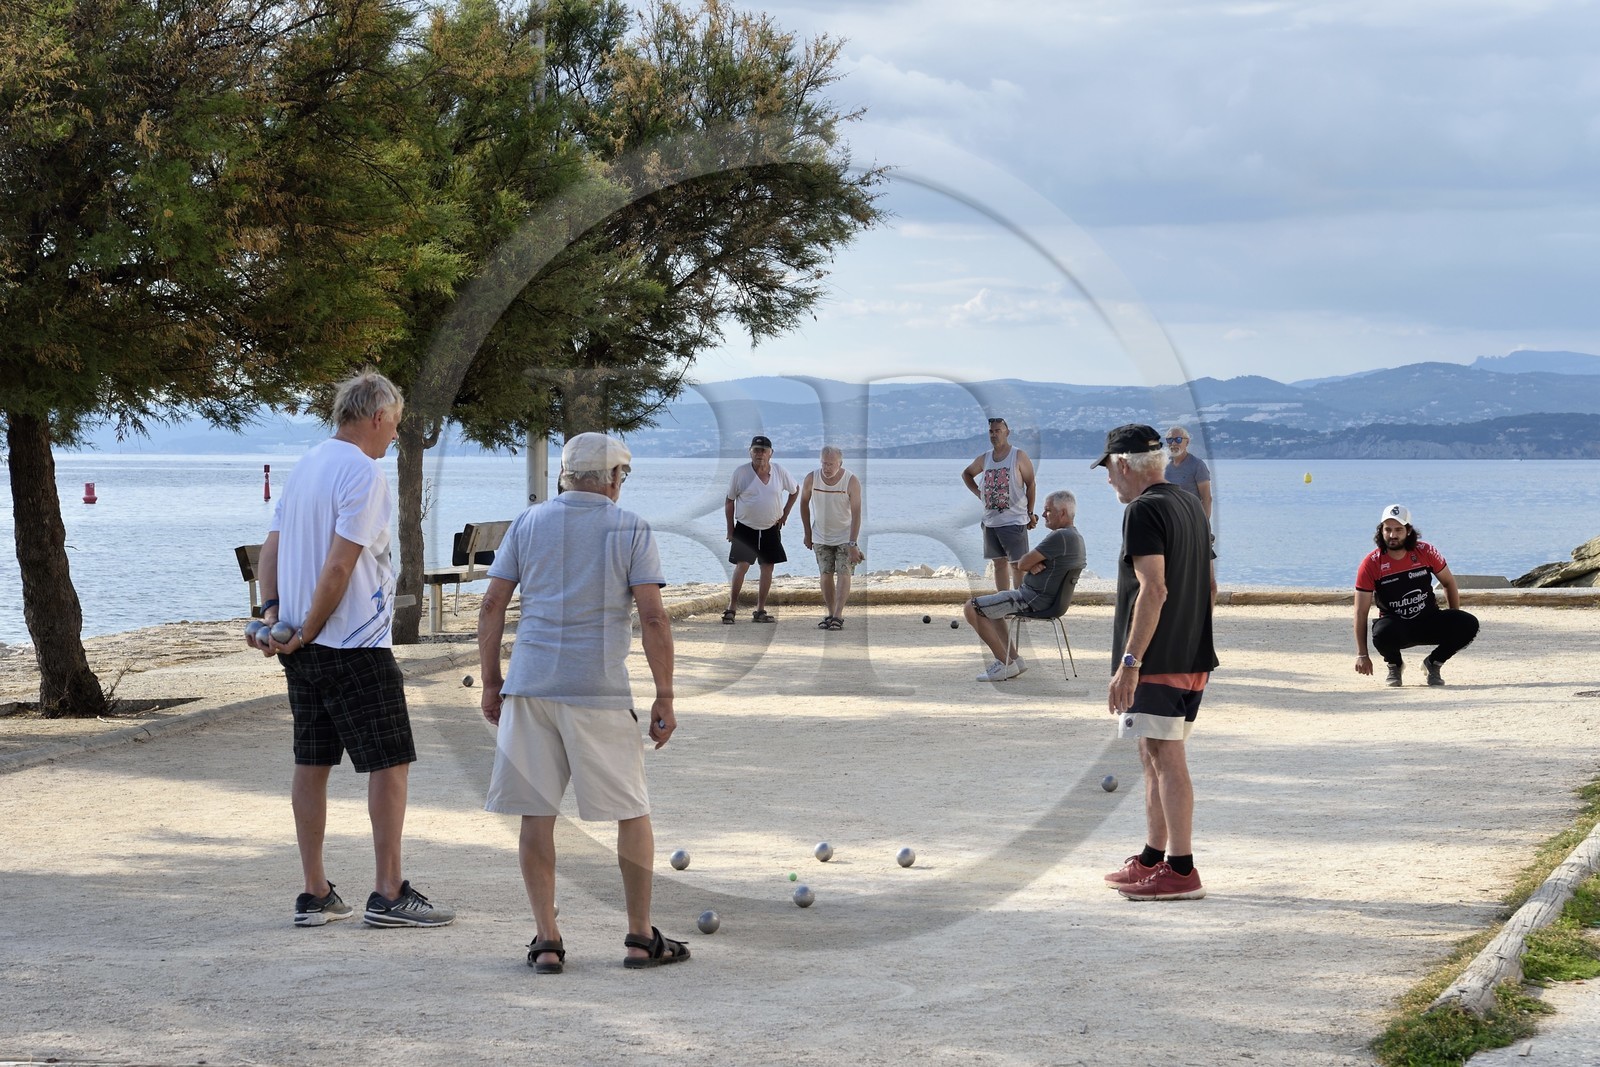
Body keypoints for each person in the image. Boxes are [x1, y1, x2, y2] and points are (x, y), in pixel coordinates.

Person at [476, 432, 689, 972]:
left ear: (567, 475)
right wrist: (664, 693)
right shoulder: (630, 528)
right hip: (598, 689)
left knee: (536, 813)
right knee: (631, 812)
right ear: (615, 477)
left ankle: (547, 940)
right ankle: (640, 937)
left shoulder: (529, 522)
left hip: (531, 686)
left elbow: (492, 606)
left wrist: (492, 681)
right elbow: (653, 618)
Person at [253, 369, 455, 930]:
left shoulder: (308, 465)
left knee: (311, 760)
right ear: (376, 417)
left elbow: (270, 549)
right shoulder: (365, 473)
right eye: (394, 426)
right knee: (389, 761)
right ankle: (388, 891)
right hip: (353, 643)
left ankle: (314, 891)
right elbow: (341, 564)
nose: (395, 437)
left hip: (301, 644)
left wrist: (274, 618)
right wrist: (312, 626)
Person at [1094, 423, 1218, 902]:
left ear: (1123, 464)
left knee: (1166, 757)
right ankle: (1152, 858)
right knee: (1151, 754)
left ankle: (1181, 869)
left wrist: (1130, 661)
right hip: (1190, 652)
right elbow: (1205, 584)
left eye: (1108, 469)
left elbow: (1154, 588)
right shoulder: (1189, 502)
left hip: (1159, 657)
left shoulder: (1144, 510)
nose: (1108, 481)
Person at [961, 490, 1085, 681]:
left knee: (972, 608)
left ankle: (1005, 663)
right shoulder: (1075, 537)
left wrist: (1030, 563)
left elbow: (1021, 563)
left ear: (1062, 513)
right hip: (1043, 599)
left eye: (1047, 510)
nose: (1042, 515)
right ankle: (1014, 660)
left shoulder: (1060, 536)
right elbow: (1027, 563)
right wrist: (1032, 563)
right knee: (992, 610)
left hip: (1031, 599)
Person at [1354, 504, 1480, 687]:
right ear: (1381, 530)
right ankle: (1394, 666)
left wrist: (1454, 617)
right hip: (1397, 626)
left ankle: (1434, 663)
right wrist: (1362, 654)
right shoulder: (1371, 563)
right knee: (1380, 633)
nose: (1392, 535)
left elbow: (1448, 582)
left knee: (1468, 623)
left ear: (1408, 530)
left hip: (1429, 620)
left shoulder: (1425, 551)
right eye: (1387, 529)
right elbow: (1360, 612)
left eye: (1398, 529)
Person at [722, 435, 799, 624]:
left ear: (771, 453)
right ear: (750, 452)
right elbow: (730, 501)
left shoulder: (779, 471)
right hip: (745, 527)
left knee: (768, 567)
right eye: (756, 450)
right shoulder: (740, 473)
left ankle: (760, 610)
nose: (760, 454)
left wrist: (786, 514)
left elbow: (795, 490)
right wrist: (730, 529)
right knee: (742, 566)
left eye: (764, 450)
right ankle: (732, 608)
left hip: (770, 528)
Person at [961, 417, 1037, 593]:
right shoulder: (985, 458)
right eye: (991, 431)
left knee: (1018, 565)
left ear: (1007, 433)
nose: (994, 434)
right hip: (990, 522)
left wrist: (1030, 512)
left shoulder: (1017, 455)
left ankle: (1020, 604)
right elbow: (966, 474)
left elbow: (1031, 484)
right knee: (999, 564)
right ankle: (1003, 601)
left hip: (1014, 520)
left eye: (998, 431)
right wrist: (980, 495)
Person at [800, 446, 864, 630]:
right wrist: (807, 533)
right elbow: (804, 503)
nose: (826, 468)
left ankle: (838, 615)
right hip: (820, 535)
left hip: (845, 535)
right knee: (825, 574)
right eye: (824, 463)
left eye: (831, 464)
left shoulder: (850, 481)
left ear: (840, 463)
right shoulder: (812, 478)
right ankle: (830, 613)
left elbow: (857, 512)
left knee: (844, 573)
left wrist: (853, 543)